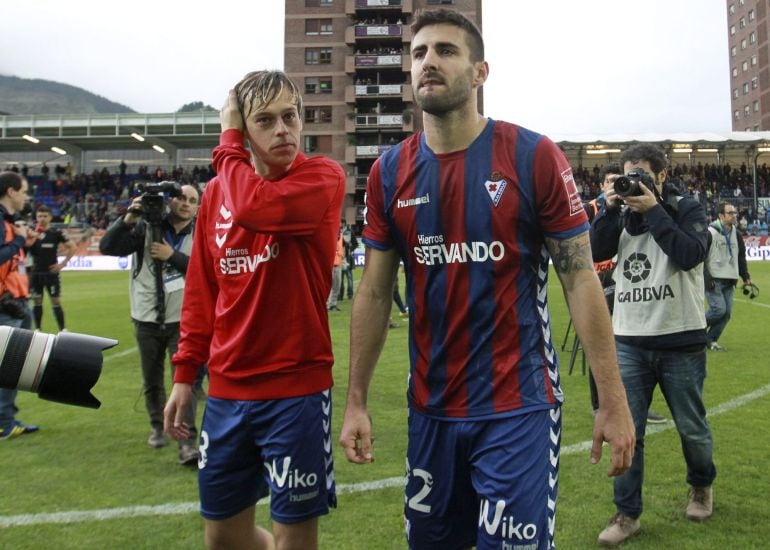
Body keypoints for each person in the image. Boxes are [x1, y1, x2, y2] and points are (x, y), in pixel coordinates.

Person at [338, 10, 634, 550]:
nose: (429, 61)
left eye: (446, 51)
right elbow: (376, 293)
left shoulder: (531, 155)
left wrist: (611, 398)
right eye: (420, 52)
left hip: (516, 407)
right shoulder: (387, 173)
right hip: (430, 410)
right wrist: (355, 399)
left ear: (480, 73)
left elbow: (580, 280)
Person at [163, 70, 344, 550]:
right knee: (223, 536)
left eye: (290, 117)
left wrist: (227, 145)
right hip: (227, 390)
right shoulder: (217, 195)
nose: (283, 129)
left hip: (295, 389)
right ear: (246, 131)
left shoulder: (322, 177)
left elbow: (256, 207)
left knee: (295, 538)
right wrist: (185, 375)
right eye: (265, 120)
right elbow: (203, 291)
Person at [591, 144, 716, 546]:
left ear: (661, 176)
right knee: (629, 433)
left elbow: (689, 254)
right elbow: (595, 251)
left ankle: (701, 484)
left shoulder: (687, 208)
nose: (635, 182)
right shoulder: (622, 215)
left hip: (680, 337)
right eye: (629, 175)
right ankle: (627, 514)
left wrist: (653, 209)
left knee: (692, 428)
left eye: (642, 174)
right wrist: (612, 209)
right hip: (629, 339)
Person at [99, 183, 202, 466]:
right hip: (145, 316)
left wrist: (173, 257)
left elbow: (206, 273)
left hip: (183, 319)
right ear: (170, 201)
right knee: (151, 379)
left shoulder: (201, 235)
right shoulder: (144, 228)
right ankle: (157, 426)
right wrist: (130, 217)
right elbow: (107, 247)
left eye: (192, 200)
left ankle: (187, 441)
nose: (185, 203)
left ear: (197, 208)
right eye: (180, 197)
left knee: (186, 383)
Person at [584, 165, 668, 425]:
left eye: (619, 180)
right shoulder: (591, 208)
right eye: (610, 181)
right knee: (603, 344)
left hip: (625, 281)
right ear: (601, 185)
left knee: (633, 345)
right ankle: (599, 404)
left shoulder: (632, 206)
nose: (616, 185)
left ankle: (638, 405)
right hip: (596, 280)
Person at [0, 171, 39, 440]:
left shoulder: (8, 220)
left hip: (17, 300)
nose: (26, 196)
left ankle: (8, 418)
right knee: (10, 366)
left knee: (16, 366)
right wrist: (18, 241)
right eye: (23, 191)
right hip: (6, 303)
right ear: (11, 192)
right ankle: (4, 422)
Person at [704, 201, 751, 351]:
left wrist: (746, 278)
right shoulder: (710, 232)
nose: (734, 216)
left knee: (726, 314)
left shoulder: (736, 234)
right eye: (730, 213)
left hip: (730, 279)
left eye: (735, 213)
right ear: (721, 216)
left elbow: (741, 257)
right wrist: (707, 278)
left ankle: (710, 341)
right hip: (714, 279)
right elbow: (702, 258)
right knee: (719, 310)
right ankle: (694, 329)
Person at [27, 204, 76, 332]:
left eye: (45, 216)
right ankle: (37, 329)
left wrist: (63, 264)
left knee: (56, 301)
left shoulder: (56, 233)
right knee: (37, 301)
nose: (42, 218)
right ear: (36, 217)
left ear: (50, 217)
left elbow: (73, 247)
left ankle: (63, 329)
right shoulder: (31, 233)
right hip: (35, 273)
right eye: (39, 216)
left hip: (51, 273)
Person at [327, 220, 345, 311]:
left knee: (337, 285)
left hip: (338, 263)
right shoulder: (330, 235)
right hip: (332, 263)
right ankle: (330, 304)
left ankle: (332, 303)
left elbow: (343, 247)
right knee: (332, 285)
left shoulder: (340, 236)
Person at [338, 221, 358, 300]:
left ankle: (350, 294)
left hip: (348, 258)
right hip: (340, 257)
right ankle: (341, 295)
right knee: (341, 277)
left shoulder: (350, 232)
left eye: (341, 223)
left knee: (349, 276)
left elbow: (355, 243)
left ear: (344, 223)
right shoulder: (338, 231)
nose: (340, 224)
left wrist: (350, 249)